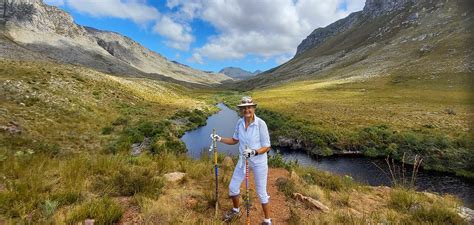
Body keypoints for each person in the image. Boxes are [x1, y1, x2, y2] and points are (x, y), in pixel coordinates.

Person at [210, 96, 272, 225]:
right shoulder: (239, 122)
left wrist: (254, 152)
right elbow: (234, 140)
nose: (246, 110)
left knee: (261, 192)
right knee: (233, 187)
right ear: (240, 110)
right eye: (243, 108)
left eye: (249, 107)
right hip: (243, 161)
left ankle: (267, 220)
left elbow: (267, 146)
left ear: (253, 108)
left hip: (259, 162)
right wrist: (219, 138)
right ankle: (236, 210)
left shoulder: (261, 124)